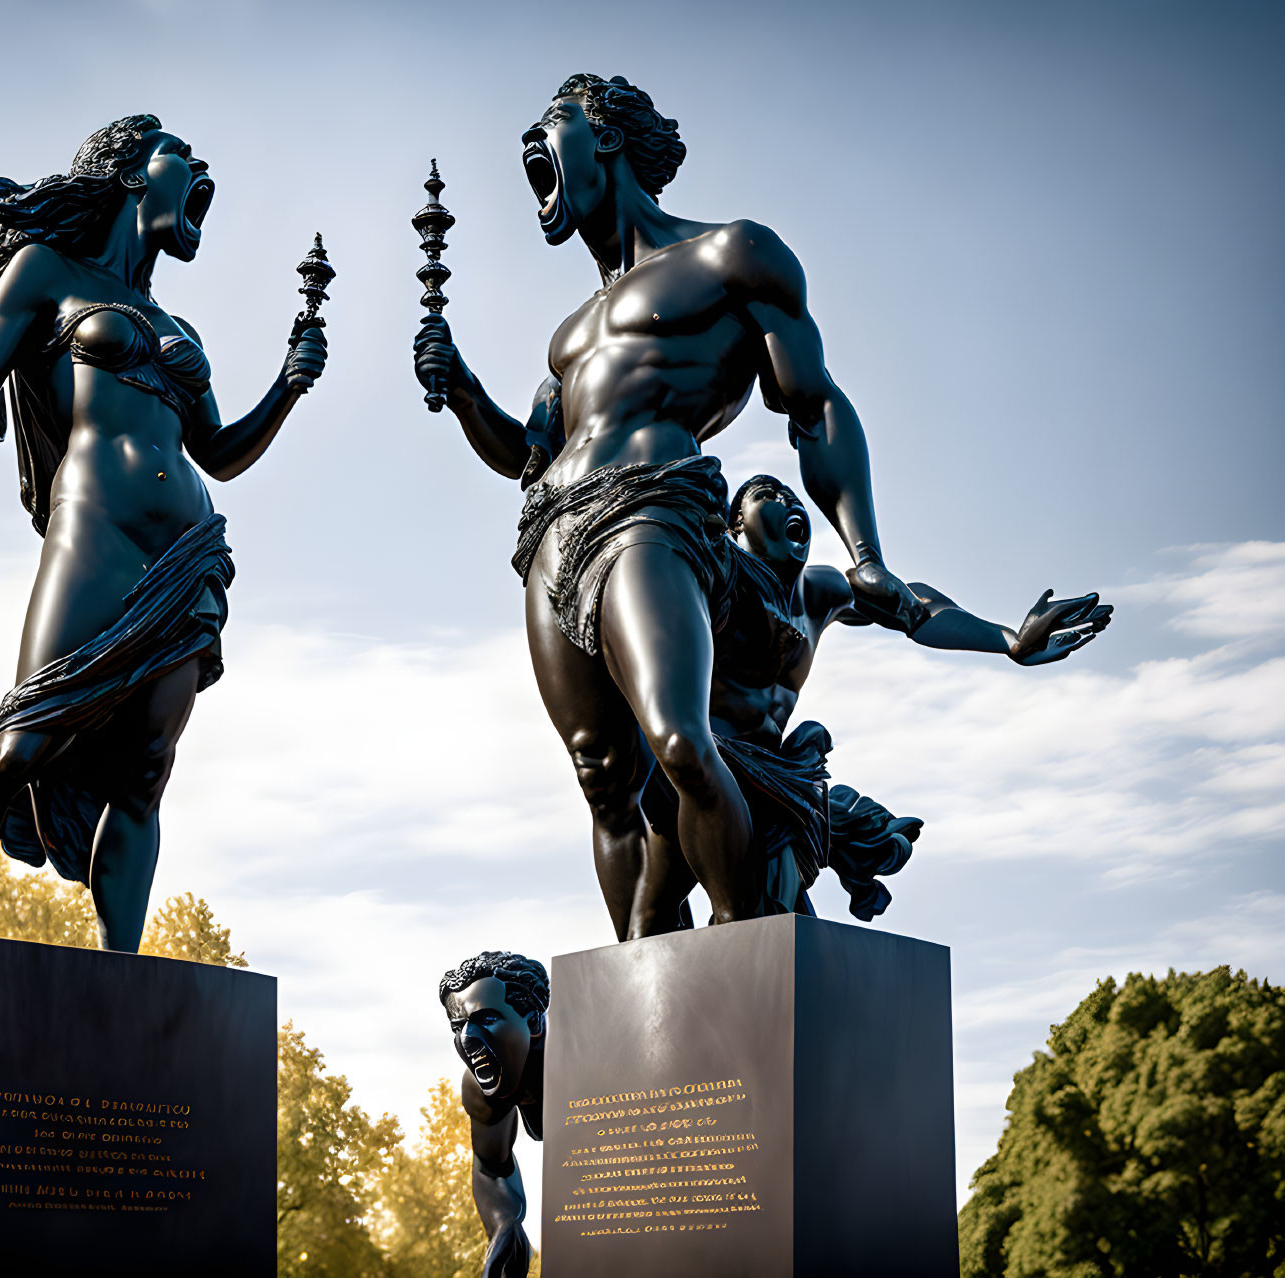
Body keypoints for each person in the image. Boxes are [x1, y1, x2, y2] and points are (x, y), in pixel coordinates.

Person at [413, 73, 928, 939]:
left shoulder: (731, 254)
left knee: (681, 743)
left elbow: (815, 407)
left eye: (553, 125)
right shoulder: (569, 333)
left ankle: (739, 954)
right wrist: (464, 393)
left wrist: (864, 552)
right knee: (604, 780)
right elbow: (528, 457)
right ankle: (639, 996)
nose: (531, 149)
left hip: (653, 511)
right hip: (550, 539)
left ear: (605, 137)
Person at [0, 114, 325, 951]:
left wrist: (286, 386)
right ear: (133, 175)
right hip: (93, 530)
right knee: (24, 742)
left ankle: (121, 969)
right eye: (181, 156)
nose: (199, 164)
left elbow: (218, 451)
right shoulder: (46, 270)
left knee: (144, 775)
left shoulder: (181, 329)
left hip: (186, 553)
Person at [633, 474, 1113, 934]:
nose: (788, 501)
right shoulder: (718, 572)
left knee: (721, 917)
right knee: (666, 915)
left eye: (790, 494)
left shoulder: (819, 592)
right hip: (699, 767)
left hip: (773, 780)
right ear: (737, 526)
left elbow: (913, 606)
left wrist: (1007, 638)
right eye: (768, 493)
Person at [439, 952, 549, 1278]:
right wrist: (503, 1221)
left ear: (532, 1020)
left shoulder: (580, 1060)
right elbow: (490, 1165)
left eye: (486, 1019)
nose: (468, 1039)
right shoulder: (478, 1088)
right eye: (458, 1026)